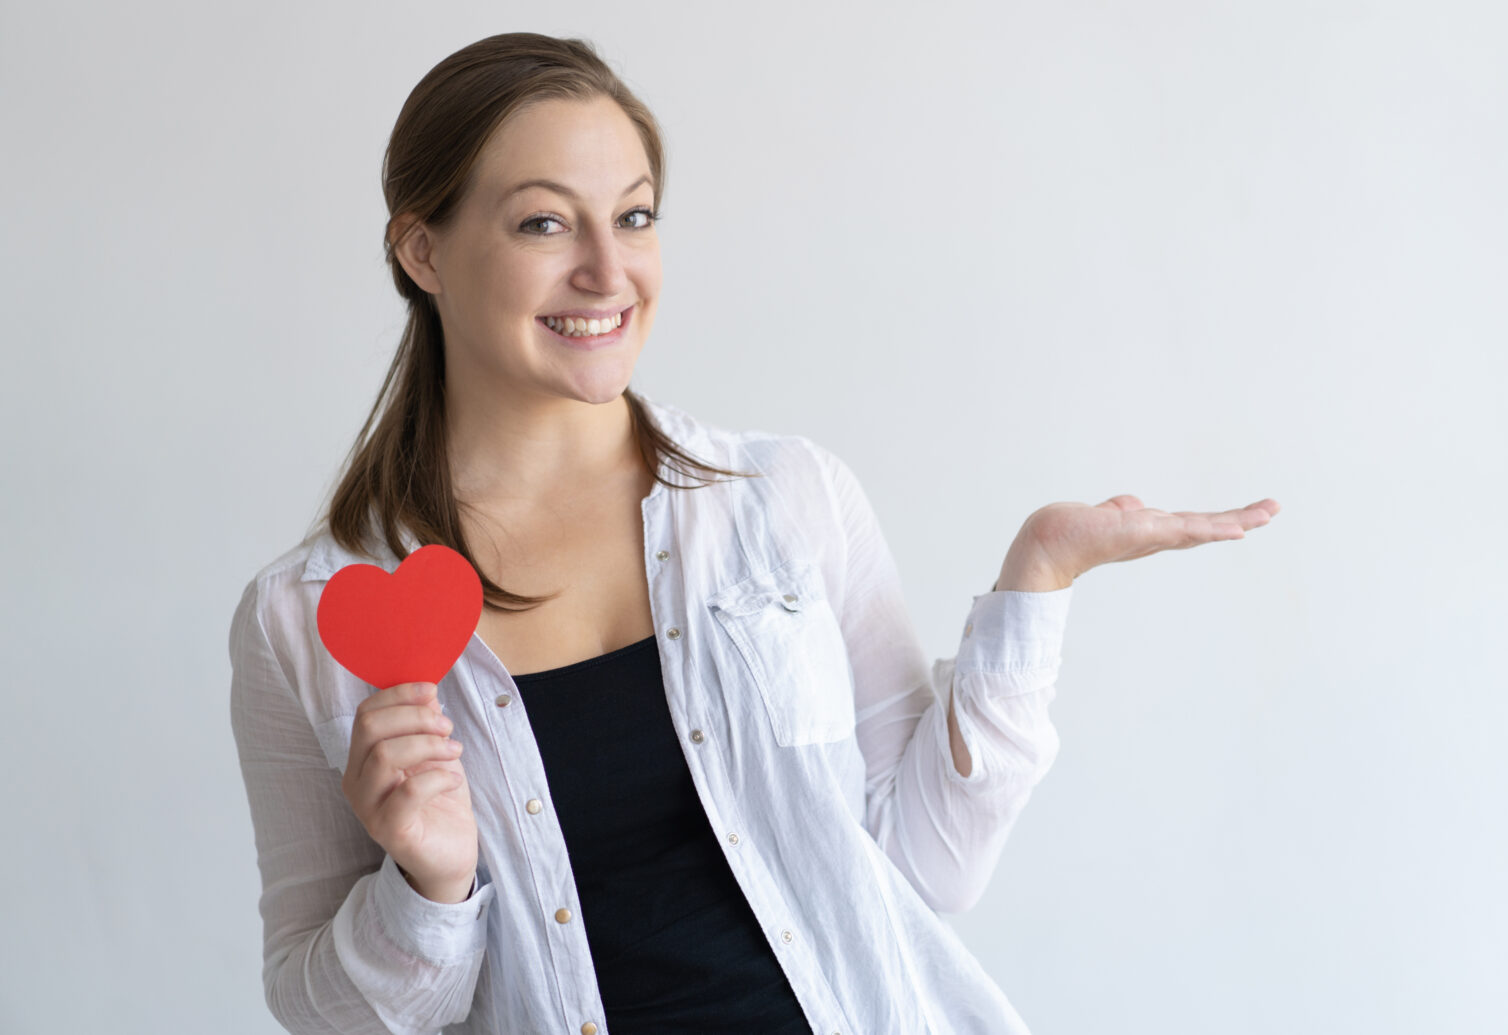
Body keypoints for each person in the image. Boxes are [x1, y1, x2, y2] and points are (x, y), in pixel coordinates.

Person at [228, 32, 1281, 1035]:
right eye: (543, 224)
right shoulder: (303, 619)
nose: (607, 271)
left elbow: (925, 869)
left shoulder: (787, 500)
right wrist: (428, 886)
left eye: (634, 217)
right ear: (423, 249)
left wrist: (1036, 582)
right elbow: (323, 1009)